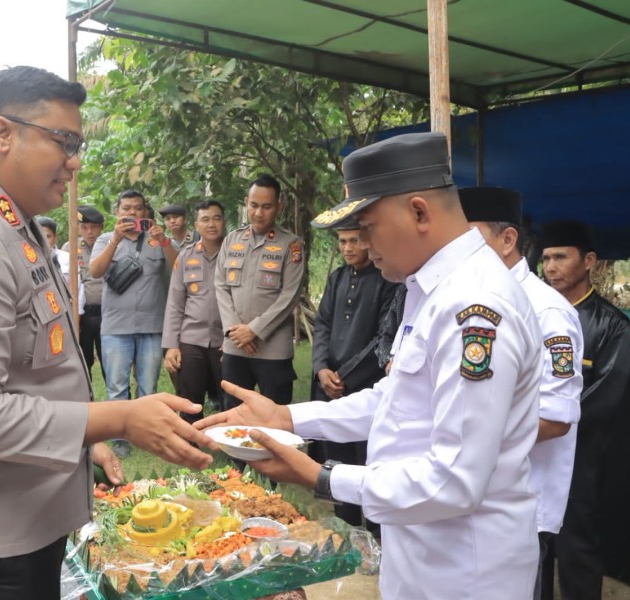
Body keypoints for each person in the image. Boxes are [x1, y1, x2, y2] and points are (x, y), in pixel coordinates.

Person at [0, 66, 214, 600]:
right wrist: (117, 418)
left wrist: (84, 441)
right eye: (62, 142)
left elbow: (32, 373)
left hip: (21, 516)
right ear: (3, 134)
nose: (74, 162)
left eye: (78, 145)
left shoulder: (13, 224)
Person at [198, 132, 543, 600]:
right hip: (420, 545)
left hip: (465, 567)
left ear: (419, 212)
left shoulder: (475, 306)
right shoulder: (431, 290)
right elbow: (395, 398)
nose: (361, 243)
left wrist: (319, 476)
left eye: (369, 226)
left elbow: (455, 479)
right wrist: (289, 417)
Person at [460, 187, 585, 599]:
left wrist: (471, 442)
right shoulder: (472, 297)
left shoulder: (546, 311)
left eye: (470, 235)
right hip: (475, 491)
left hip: (522, 501)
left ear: (507, 240)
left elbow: (555, 419)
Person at [538, 220, 630, 600]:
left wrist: (552, 424)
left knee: (576, 551)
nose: (550, 267)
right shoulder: (536, 315)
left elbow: (605, 395)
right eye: (546, 258)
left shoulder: (612, 325)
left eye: (561, 256)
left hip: (581, 459)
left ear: (589, 260)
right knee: (534, 549)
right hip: (535, 452)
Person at [310, 216, 398, 528]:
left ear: (369, 240)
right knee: (335, 458)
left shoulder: (388, 281)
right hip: (330, 381)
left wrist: (344, 377)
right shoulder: (336, 278)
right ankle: (345, 527)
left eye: (354, 240)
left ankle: (375, 531)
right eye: (342, 241)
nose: (347, 248)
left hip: (366, 385)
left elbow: (383, 337)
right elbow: (322, 324)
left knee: (369, 459)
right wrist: (321, 368)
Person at [89, 189, 179, 457]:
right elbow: (95, 271)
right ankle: (119, 437)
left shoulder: (156, 240)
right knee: (116, 385)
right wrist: (115, 240)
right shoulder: (106, 238)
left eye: (137, 208)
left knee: (148, 386)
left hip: (151, 326)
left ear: (145, 213)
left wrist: (164, 241)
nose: (131, 213)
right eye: (126, 208)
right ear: (117, 212)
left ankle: (146, 434)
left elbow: (178, 270)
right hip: (115, 328)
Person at [215, 174, 304, 407]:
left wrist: (253, 330)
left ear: (279, 207)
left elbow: (290, 295)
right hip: (235, 346)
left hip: (273, 351)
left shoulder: (291, 245)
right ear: (246, 202)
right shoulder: (231, 241)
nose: (258, 213)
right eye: (254, 205)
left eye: (266, 207)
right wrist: (236, 331)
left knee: (274, 418)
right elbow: (221, 286)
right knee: (233, 413)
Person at [162, 200, 225, 423]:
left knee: (230, 397)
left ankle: (233, 449)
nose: (211, 224)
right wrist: (171, 345)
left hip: (226, 339)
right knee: (190, 398)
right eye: (205, 220)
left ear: (224, 222)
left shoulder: (235, 255)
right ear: (196, 225)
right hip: (192, 339)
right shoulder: (186, 257)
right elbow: (175, 303)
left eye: (216, 218)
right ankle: (190, 443)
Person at [61, 205, 105, 379]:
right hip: (81, 315)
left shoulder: (109, 245)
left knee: (109, 362)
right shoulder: (69, 248)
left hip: (106, 313)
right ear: (78, 228)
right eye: (84, 227)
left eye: (94, 227)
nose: (89, 232)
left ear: (101, 226)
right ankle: (87, 400)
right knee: (83, 361)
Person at [35, 215, 85, 314]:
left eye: (48, 236)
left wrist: (77, 315)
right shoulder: (27, 259)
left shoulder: (68, 259)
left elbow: (79, 290)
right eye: (39, 236)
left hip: (65, 312)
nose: (44, 240)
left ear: (55, 237)